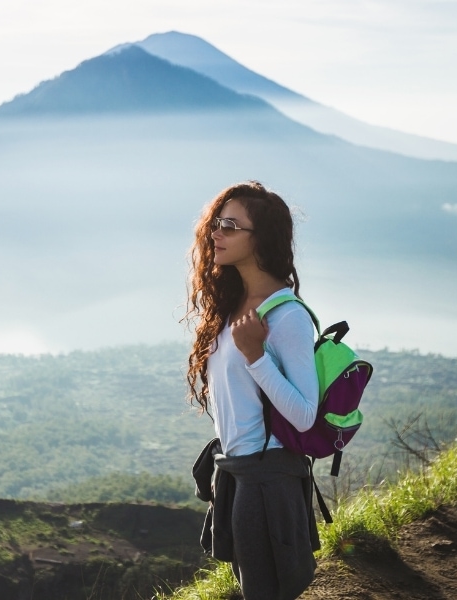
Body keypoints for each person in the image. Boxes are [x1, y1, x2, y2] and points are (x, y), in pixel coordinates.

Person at [185, 181, 319, 600]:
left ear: (260, 238)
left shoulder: (287, 317)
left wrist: (256, 357)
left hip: (268, 475)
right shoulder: (233, 305)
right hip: (240, 469)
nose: (216, 234)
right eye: (216, 224)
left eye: (230, 225)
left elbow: (304, 414)